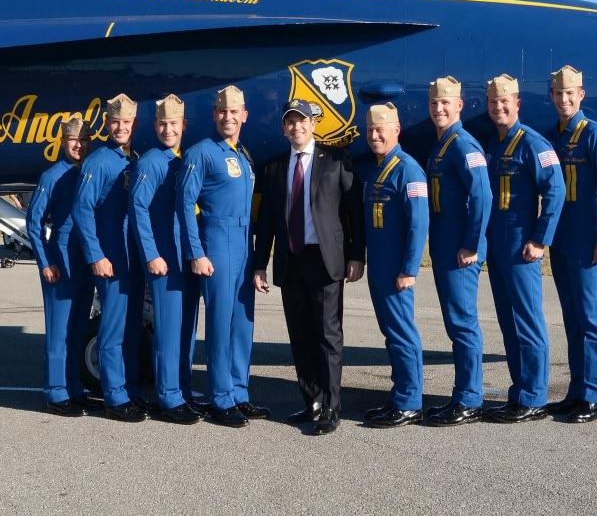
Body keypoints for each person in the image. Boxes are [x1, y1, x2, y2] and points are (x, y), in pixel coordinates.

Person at [253, 99, 366, 436]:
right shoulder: (274, 168)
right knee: (300, 334)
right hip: (291, 259)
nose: (296, 127)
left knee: (328, 335)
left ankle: (333, 406)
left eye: (302, 121)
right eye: (290, 122)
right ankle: (312, 400)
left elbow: (355, 213)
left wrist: (357, 255)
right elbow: (267, 222)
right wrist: (260, 264)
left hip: (325, 259)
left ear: (313, 124)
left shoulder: (335, 161)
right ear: (284, 127)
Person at [177, 85, 266, 428]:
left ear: (244, 115)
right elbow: (185, 205)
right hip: (216, 240)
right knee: (220, 323)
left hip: (243, 242)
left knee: (242, 323)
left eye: (235, 112)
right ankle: (219, 397)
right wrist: (196, 252)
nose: (228, 117)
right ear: (214, 115)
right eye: (222, 112)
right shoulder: (201, 153)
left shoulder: (242, 154)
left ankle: (239, 393)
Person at [482, 74, 564, 423]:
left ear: (517, 103)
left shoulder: (534, 144)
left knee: (527, 320)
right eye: (493, 103)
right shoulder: (495, 145)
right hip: (497, 244)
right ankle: (520, 391)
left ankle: (535, 396)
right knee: (507, 320)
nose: (499, 107)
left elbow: (555, 191)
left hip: (521, 243)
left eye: (505, 102)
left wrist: (540, 239)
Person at [544, 65, 597, 424]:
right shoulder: (552, 138)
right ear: (552, 97)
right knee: (572, 319)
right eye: (558, 94)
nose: (564, 100)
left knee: (591, 318)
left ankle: (595, 395)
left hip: (587, 239)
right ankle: (576, 392)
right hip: (560, 239)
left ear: (581, 95)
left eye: (570, 94)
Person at [71, 93, 148, 423]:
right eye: (114, 121)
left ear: (134, 124)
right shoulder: (99, 161)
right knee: (113, 330)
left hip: (131, 259)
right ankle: (115, 398)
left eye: (126, 122)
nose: (120, 127)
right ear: (106, 123)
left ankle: (127, 390)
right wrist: (96, 256)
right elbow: (81, 210)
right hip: (111, 259)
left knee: (130, 328)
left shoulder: (131, 160)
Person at [129, 94, 203, 425]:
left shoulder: (181, 160)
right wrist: (151, 255)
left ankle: (182, 389)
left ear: (183, 125)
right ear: (154, 126)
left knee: (186, 329)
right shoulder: (151, 162)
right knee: (169, 330)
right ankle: (167, 397)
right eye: (162, 123)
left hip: (184, 258)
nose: (168, 129)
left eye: (173, 123)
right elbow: (137, 210)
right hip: (164, 260)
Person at [423, 77, 492, 427]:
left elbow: (483, 196)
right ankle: (463, 394)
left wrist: (472, 245)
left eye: (446, 103)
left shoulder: (463, 145)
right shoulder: (442, 144)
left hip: (460, 251)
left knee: (464, 324)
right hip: (446, 246)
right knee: (456, 323)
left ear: (460, 105)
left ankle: (469, 399)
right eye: (435, 103)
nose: (439, 109)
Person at [361, 102, 429, 429]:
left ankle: (410, 401)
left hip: (397, 270)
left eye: (382, 130)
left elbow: (418, 225)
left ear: (396, 130)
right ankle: (399, 391)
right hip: (380, 266)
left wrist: (410, 270)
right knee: (391, 333)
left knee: (402, 333)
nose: (376, 136)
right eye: (371, 130)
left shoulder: (408, 170)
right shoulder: (377, 169)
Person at [26, 116, 96, 417]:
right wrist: (46, 262)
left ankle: (73, 388)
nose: (78, 145)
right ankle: (56, 392)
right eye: (72, 140)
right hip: (61, 259)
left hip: (84, 259)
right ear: (63, 141)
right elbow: (34, 222)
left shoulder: (89, 174)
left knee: (78, 328)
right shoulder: (52, 176)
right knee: (59, 330)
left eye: (82, 141)